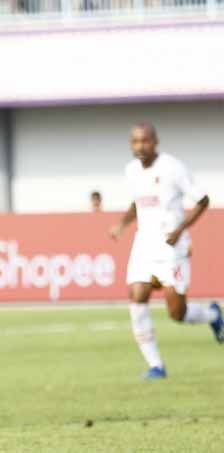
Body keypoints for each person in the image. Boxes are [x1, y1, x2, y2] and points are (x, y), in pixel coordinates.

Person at [110, 122, 222, 380]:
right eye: (135, 142)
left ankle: (212, 313)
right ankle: (156, 366)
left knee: (177, 313)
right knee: (136, 296)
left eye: (145, 141)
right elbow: (138, 202)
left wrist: (180, 229)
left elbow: (202, 200)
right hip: (144, 246)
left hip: (172, 248)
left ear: (155, 141)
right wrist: (123, 224)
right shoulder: (131, 171)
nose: (140, 146)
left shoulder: (173, 168)